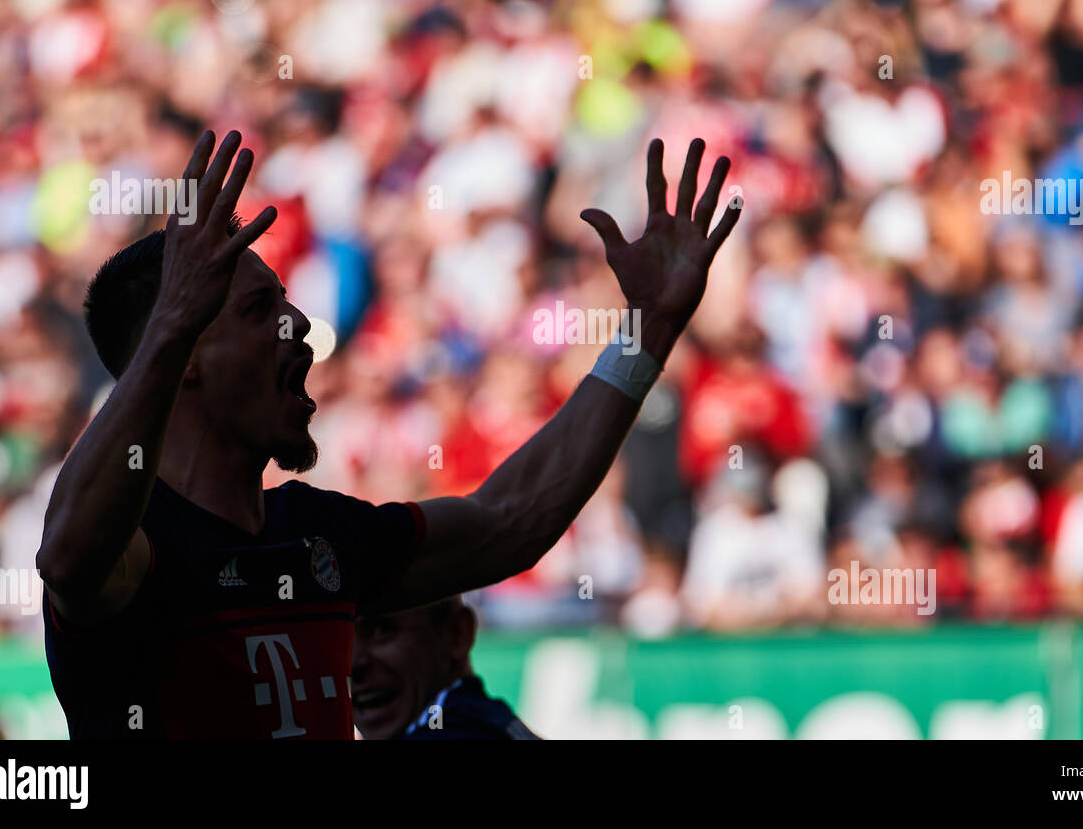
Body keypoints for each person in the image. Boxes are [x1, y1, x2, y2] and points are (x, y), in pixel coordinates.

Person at [36, 130, 740, 739]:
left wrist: (645, 331)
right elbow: (66, 556)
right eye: (261, 311)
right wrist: (171, 323)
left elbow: (510, 520)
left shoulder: (318, 536)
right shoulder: (134, 548)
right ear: (182, 352)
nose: (302, 329)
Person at [352, 597, 537, 740]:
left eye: (380, 630)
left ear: (457, 633)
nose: (353, 663)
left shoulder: (455, 730)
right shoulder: (489, 721)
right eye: (337, 638)